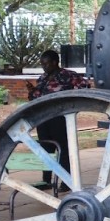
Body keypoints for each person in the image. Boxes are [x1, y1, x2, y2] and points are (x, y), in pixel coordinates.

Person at [26, 49, 89, 188]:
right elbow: (36, 97)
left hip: (59, 118)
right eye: (42, 64)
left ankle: (66, 181)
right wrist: (32, 91)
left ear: (55, 62)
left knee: (63, 149)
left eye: (46, 64)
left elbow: (85, 87)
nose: (44, 67)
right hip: (43, 119)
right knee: (46, 148)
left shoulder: (68, 75)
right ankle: (46, 180)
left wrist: (70, 104)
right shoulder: (42, 78)